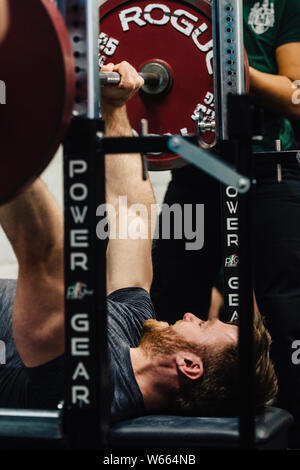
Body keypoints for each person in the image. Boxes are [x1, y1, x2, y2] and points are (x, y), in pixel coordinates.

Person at [0, 61, 277, 424]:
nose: (193, 314)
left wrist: (9, 121)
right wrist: (115, 108)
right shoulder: (136, 328)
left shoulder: (91, 386)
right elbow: (130, 215)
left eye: (206, 325)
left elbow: (45, 254)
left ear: (189, 365)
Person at [151, 0, 300, 447]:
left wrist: (233, 70)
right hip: (195, 168)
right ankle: (166, 433)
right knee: (169, 301)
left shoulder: (281, 4)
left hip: (268, 166)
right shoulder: (175, 6)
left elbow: (297, 96)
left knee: (287, 315)